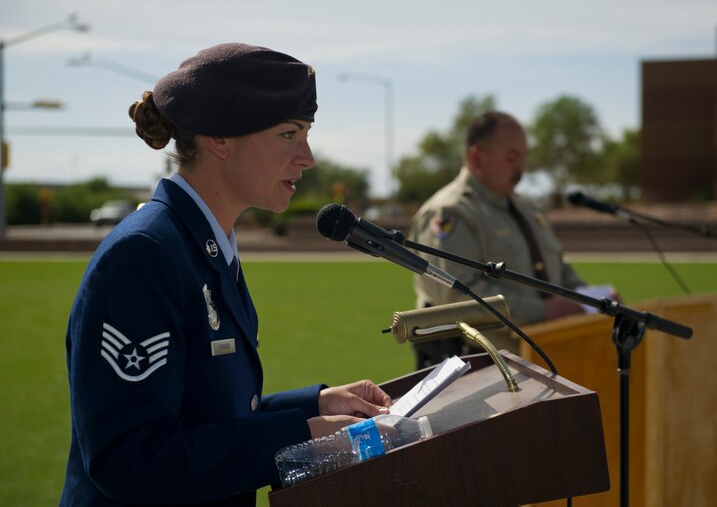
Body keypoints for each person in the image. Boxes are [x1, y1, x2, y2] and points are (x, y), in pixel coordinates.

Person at [60, 43, 393, 507]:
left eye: (306, 133)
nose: (307, 156)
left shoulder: (202, 243)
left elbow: (202, 415)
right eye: (288, 134)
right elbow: (133, 460)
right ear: (219, 137)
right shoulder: (144, 255)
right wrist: (299, 435)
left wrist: (311, 406)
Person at [407, 111, 599, 370]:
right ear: (477, 158)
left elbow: (562, 275)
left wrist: (597, 301)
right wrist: (542, 312)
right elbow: (457, 299)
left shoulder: (529, 210)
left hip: (543, 358)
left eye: (523, 158)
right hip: (479, 367)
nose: (521, 169)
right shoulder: (450, 213)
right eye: (511, 158)